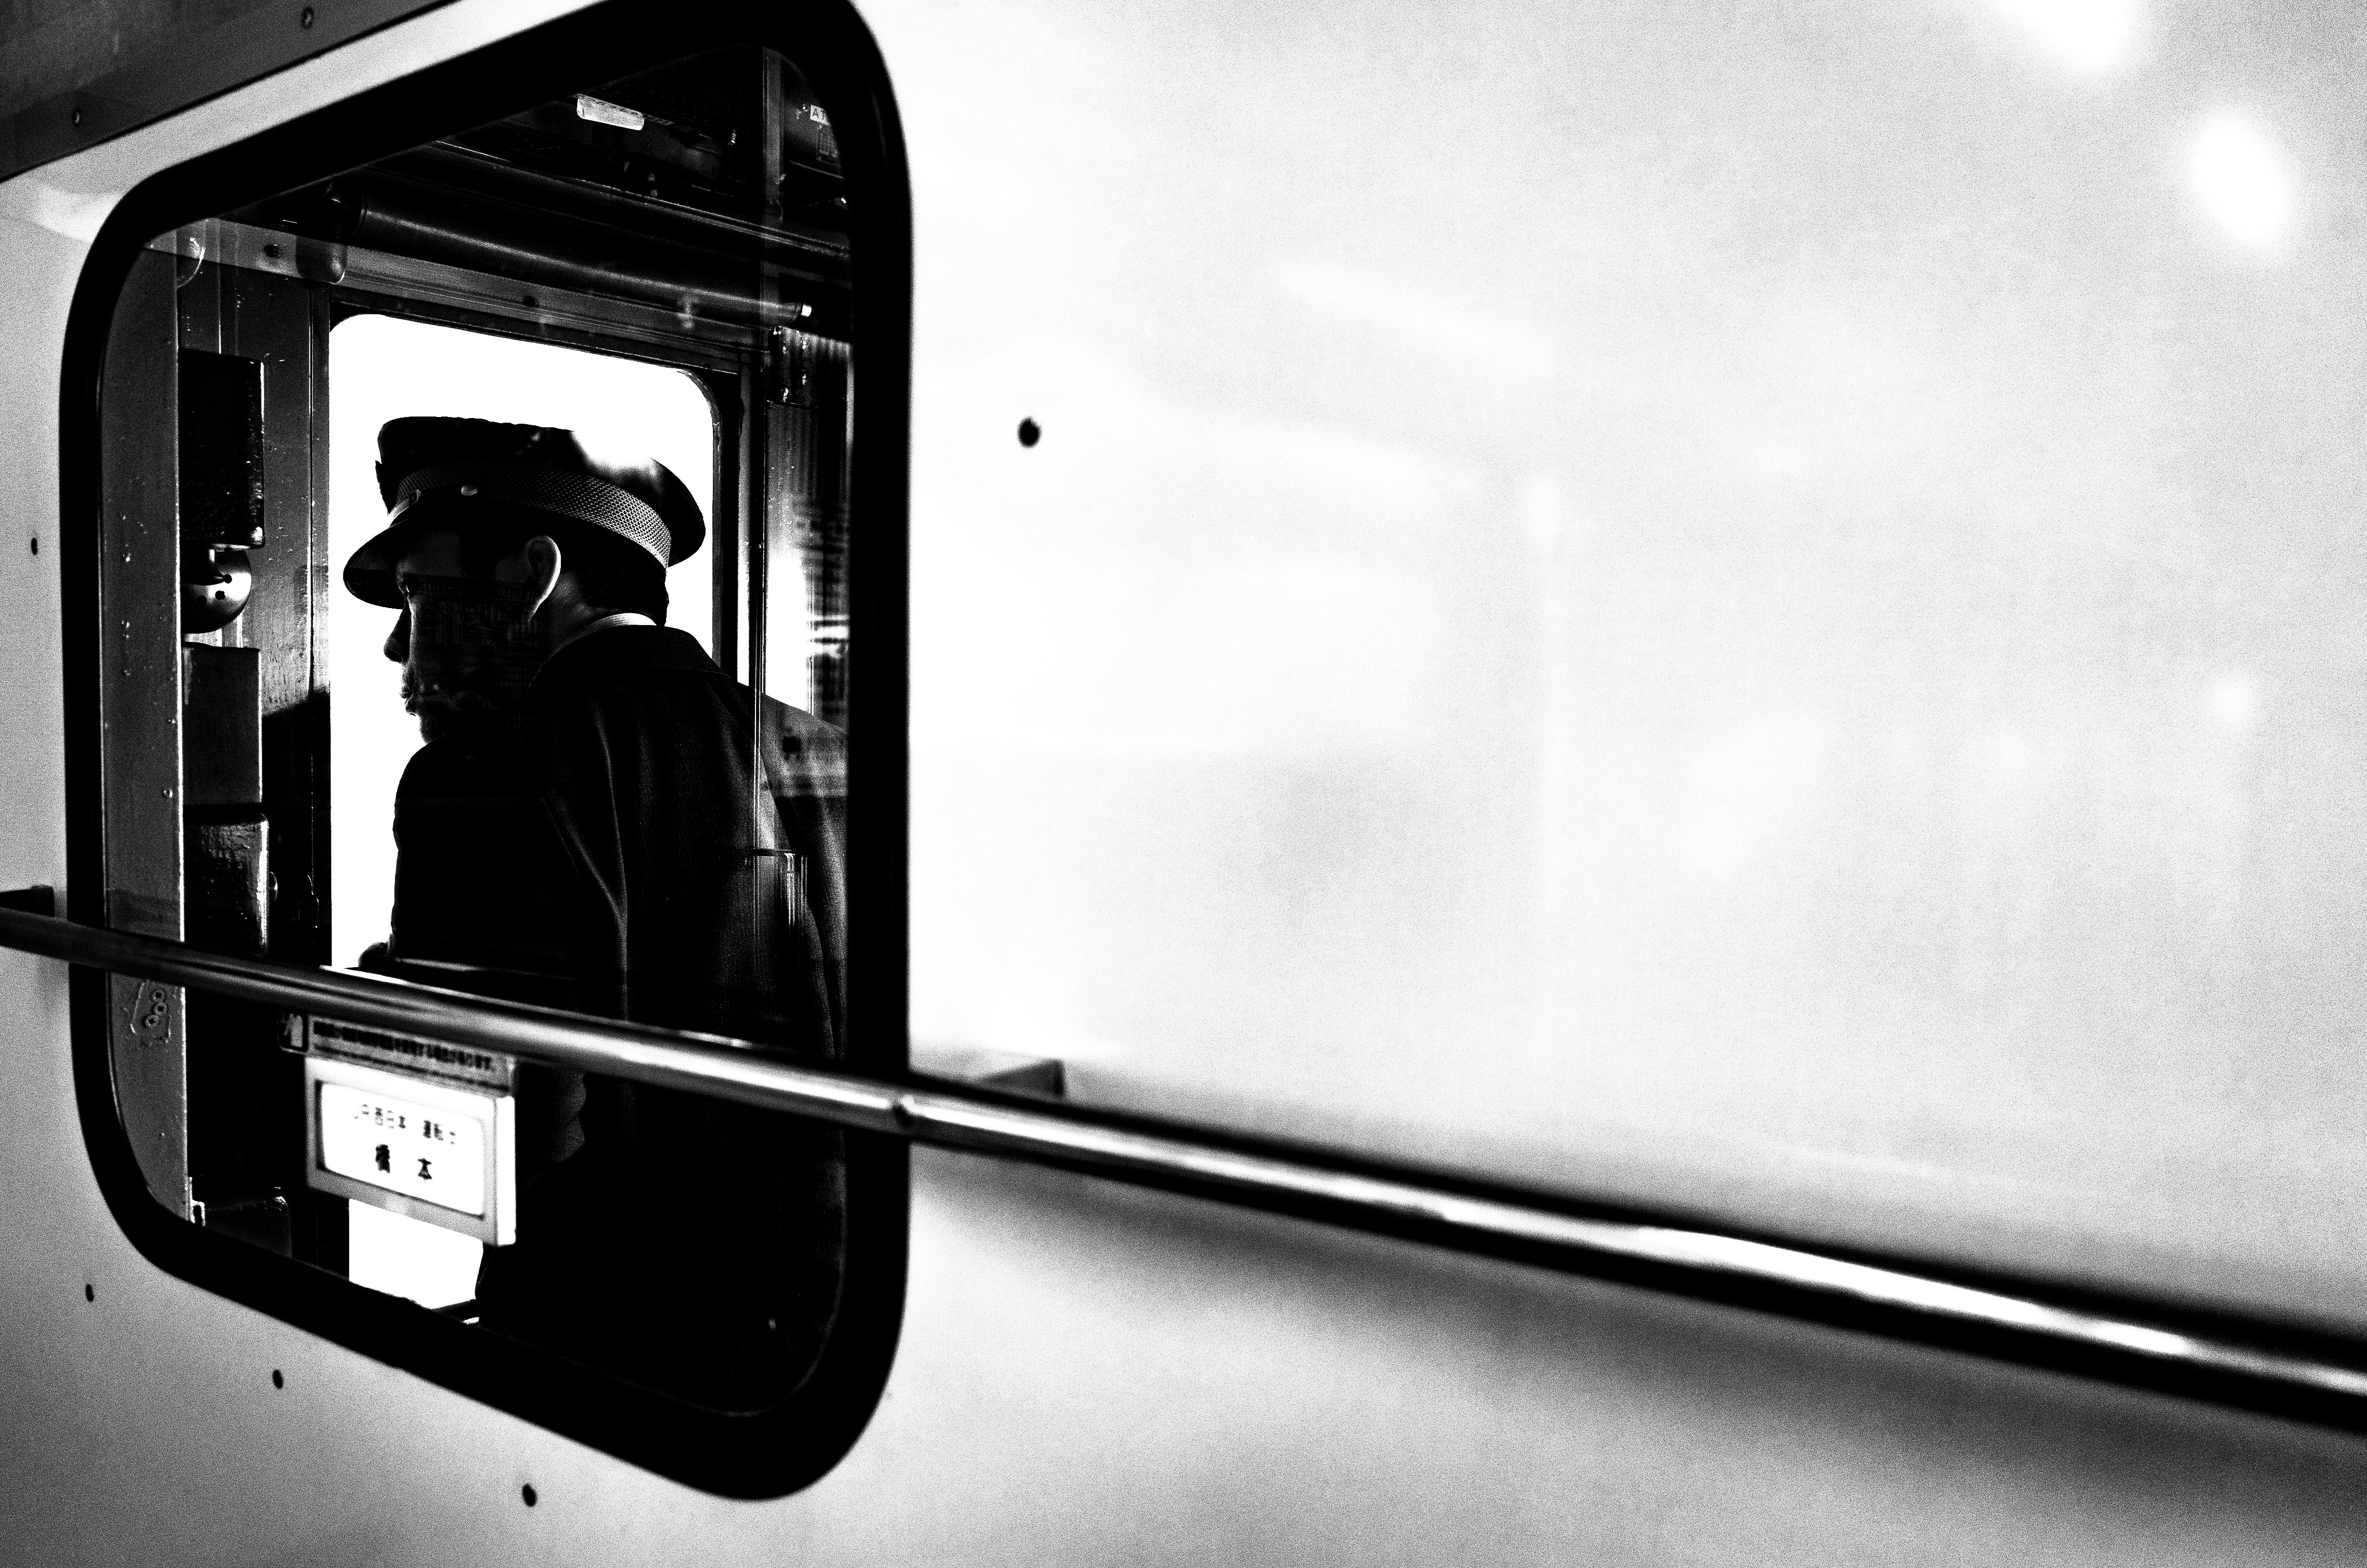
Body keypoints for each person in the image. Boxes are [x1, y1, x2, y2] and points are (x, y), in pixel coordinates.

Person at [345, 416, 846, 1406]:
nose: (401, 640)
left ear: (534, 573)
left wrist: (381, 1023)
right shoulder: (821, 751)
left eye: (415, 590)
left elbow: (508, 1149)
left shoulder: (480, 771)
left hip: (601, 1343)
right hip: (818, 1337)